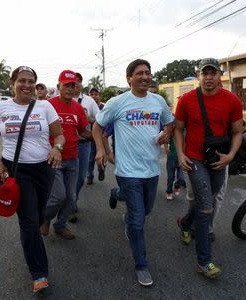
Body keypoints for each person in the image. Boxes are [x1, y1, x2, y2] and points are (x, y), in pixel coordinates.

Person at [93, 59, 174, 287]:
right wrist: (101, 148)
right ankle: (141, 265)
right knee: (138, 221)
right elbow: (98, 127)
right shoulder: (117, 102)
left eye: (148, 73)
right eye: (139, 73)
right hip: (127, 170)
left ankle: (116, 194)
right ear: (129, 78)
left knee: (146, 210)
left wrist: (166, 134)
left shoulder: (158, 101)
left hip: (151, 169)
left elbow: (170, 123)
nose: (145, 77)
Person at [0, 66, 65, 293]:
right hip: (16, 170)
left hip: (44, 168)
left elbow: (59, 134)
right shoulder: (1, 108)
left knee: (40, 213)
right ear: (12, 83)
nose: (27, 85)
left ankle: (41, 224)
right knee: (29, 222)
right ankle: (39, 273)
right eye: (22, 80)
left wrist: (57, 148)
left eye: (31, 81)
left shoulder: (45, 106)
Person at [174, 57, 243, 279]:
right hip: (194, 160)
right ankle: (204, 261)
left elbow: (237, 132)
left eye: (213, 73)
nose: (209, 77)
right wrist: (181, 154)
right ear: (198, 76)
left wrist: (230, 156)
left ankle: (185, 224)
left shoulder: (232, 101)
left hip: (219, 160)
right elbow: (178, 129)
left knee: (209, 199)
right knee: (205, 207)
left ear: (219, 76)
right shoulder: (186, 100)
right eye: (205, 73)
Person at [40, 70, 91, 240]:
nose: (70, 88)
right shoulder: (47, 105)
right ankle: (45, 219)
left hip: (73, 158)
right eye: (66, 85)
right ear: (58, 86)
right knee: (58, 196)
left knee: (71, 197)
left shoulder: (78, 108)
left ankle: (60, 225)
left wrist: (100, 136)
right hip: (53, 159)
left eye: (73, 85)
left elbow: (83, 131)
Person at [71, 72, 99, 222]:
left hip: (84, 144)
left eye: (77, 82)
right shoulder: (61, 100)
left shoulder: (88, 101)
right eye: (71, 82)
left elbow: (100, 119)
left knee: (81, 177)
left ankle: (72, 198)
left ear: (81, 83)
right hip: (66, 146)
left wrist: (87, 118)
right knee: (68, 177)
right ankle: (70, 204)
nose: (74, 84)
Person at [87, 87, 105, 185]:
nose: (94, 96)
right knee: (91, 157)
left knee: (103, 154)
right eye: (91, 94)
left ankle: (101, 168)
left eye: (96, 94)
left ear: (99, 95)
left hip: (102, 136)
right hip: (89, 136)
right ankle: (89, 175)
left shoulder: (104, 107)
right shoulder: (87, 106)